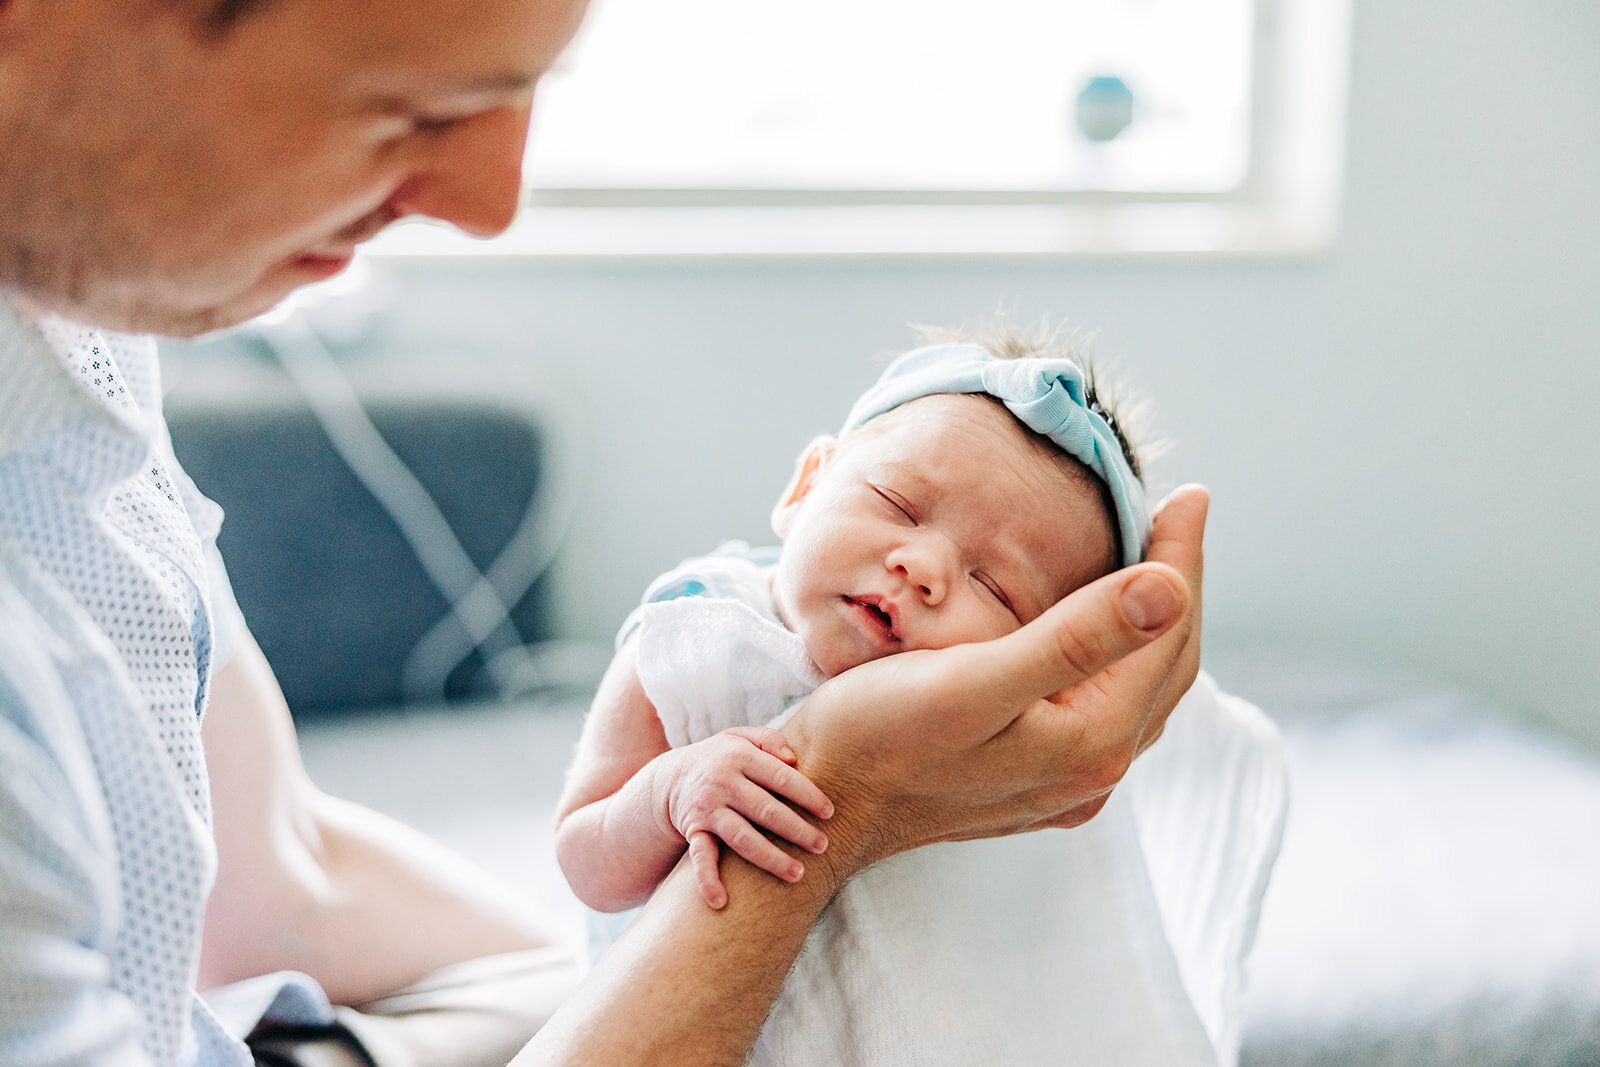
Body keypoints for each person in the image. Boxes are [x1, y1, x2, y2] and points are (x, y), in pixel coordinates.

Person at [0, 0, 1209, 1064]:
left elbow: (283, 869)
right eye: (412, 107)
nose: (490, 204)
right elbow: (599, 840)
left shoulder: (77, 332)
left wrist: (628, 981)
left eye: (999, 585)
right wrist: (839, 795)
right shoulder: (693, 644)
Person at [553, 328, 1285, 1065]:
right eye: (898, 503)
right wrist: (670, 791)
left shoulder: (1018, 751)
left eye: (996, 585)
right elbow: (586, 859)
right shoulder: (697, 641)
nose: (924, 565)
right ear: (806, 485)